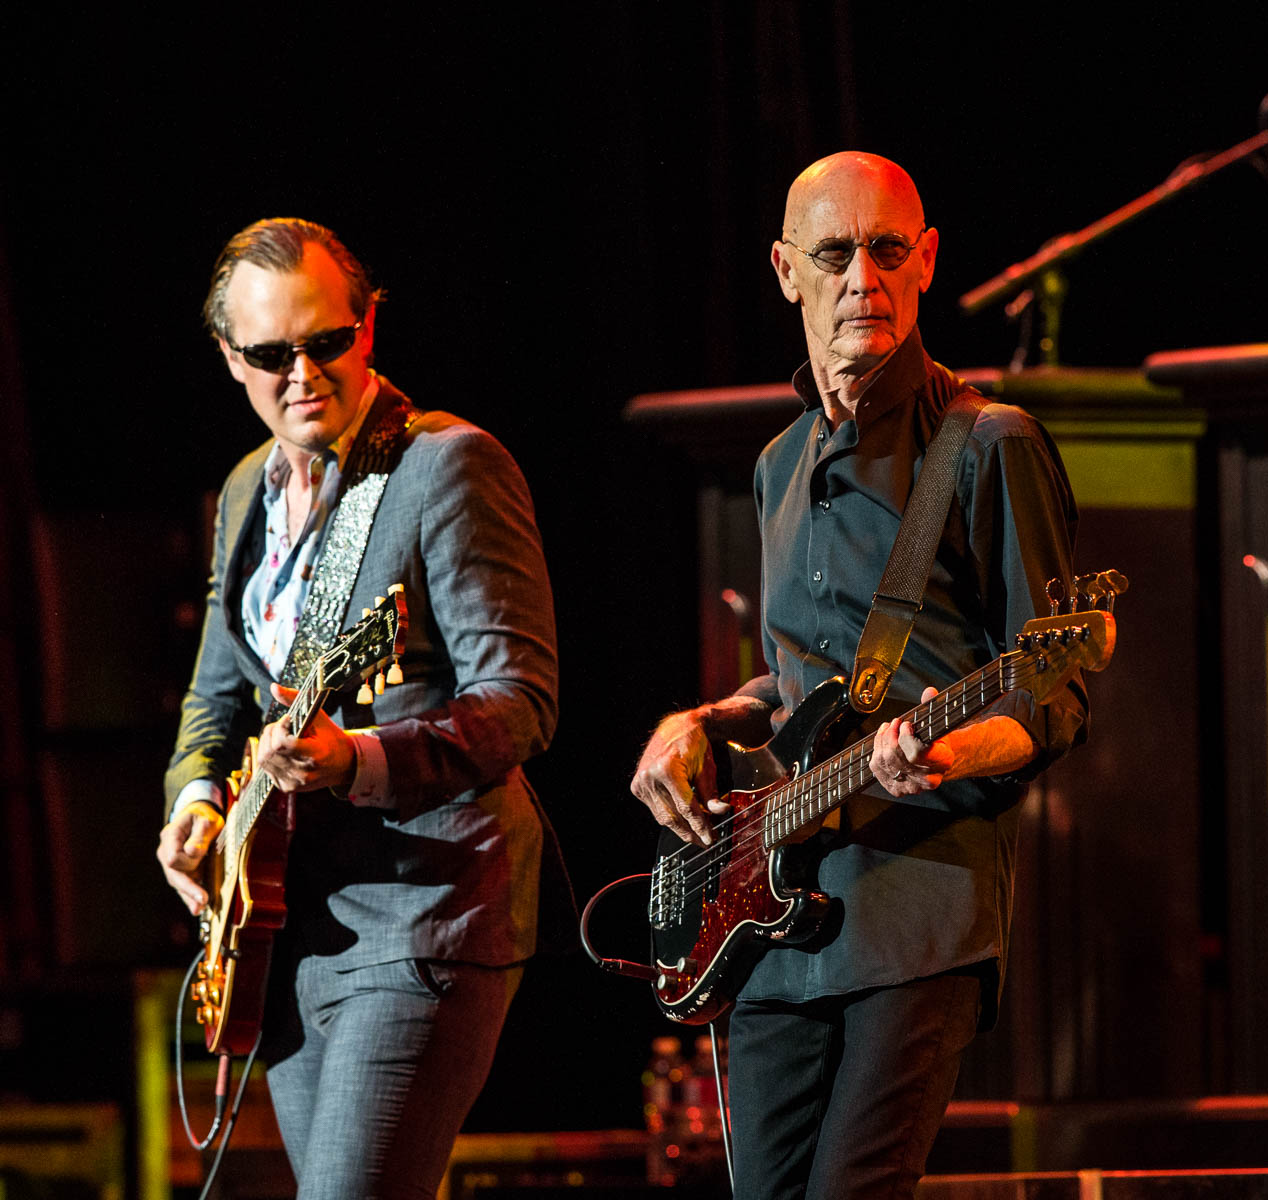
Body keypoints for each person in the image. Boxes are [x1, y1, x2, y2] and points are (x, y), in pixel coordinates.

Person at [630, 152, 1088, 1199]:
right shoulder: (776, 464)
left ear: (926, 260)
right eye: (835, 254)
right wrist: (698, 720)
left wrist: (951, 751)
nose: (862, 280)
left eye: (887, 251)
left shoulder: (990, 444)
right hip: (768, 916)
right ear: (786, 270)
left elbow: (1053, 691)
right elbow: (794, 684)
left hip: (919, 911)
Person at [155, 218, 563, 1197]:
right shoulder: (246, 489)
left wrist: (358, 760)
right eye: (270, 354)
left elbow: (521, 701)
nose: (302, 374)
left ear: (368, 327)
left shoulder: (446, 464)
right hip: (291, 924)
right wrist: (197, 803)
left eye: (326, 342)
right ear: (229, 357)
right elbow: (216, 695)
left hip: (428, 910)